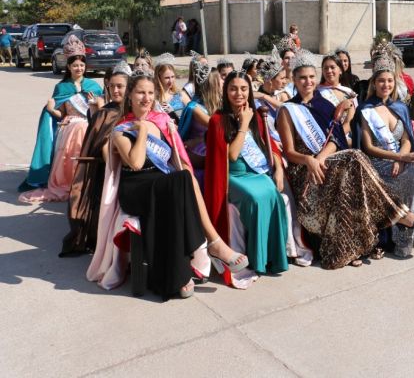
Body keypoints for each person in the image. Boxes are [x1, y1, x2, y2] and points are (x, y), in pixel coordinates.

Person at [88, 72, 249, 300]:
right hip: (136, 188)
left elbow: (176, 158)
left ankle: (182, 272)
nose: (146, 98)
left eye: (151, 93)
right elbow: (134, 163)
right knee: (181, 180)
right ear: (130, 96)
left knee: (184, 178)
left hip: (161, 180)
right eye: (141, 92)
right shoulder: (122, 128)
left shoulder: (161, 121)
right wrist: (142, 131)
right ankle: (213, 244)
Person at [276, 49, 414, 268]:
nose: (308, 81)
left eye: (311, 77)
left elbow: (336, 138)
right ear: (294, 79)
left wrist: (320, 157)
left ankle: (350, 248)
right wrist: (310, 161)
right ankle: (397, 213)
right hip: (305, 171)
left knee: (353, 175)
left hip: (326, 163)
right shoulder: (287, 110)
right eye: (302, 78)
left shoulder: (324, 104)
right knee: (355, 157)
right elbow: (289, 152)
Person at [204, 71, 289, 287]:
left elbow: (268, 144)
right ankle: (256, 260)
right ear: (226, 92)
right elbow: (231, 155)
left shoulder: (256, 115)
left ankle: (273, 258)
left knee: (273, 194)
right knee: (254, 197)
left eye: (243, 89)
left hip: (255, 171)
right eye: (233, 89)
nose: (239, 93)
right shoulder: (217, 119)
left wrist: (278, 168)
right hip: (232, 176)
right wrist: (243, 125)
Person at [355, 54, 414, 256]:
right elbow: (368, 147)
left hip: (399, 159)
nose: (386, 84)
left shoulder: (400, 107)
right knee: (409, 169)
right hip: (377, 163)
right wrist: (397, 158)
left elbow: (407, 140)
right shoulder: (366, 109)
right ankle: (405, 230)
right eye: (381, 80)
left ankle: (413, 230)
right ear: (374, 83)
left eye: (390, 80)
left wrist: (401, 156)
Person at [60, 63, 131, 256]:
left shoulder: (134, 111)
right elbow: (95, 142)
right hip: (105, 169)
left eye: (120, 86)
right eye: (112, 86)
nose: (115, 90)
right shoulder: (105, 112)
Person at [19, 36, 103, 198]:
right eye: (75, 65)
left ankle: (86, 182)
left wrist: (95, 103)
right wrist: (51, 109)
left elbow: (101, 111)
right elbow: (61, 114)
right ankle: (69, 183)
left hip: (88, 125)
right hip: (69, 127)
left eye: (82, 65)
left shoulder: (94, 86)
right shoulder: (61, 87)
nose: (79, 68)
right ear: (69, 67)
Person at [178, 64, 221, 174]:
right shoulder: (195, 107)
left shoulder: (218, 102)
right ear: (212, 85)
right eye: (219, 78)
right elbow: (217, 126)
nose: (223, 81)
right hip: (198, 150)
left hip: (207, 143)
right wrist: (199, 140)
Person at [318, 54, 357, 145]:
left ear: (340, 70)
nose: (329, 71)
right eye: (325, 68)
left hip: (343, 139)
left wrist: (334, 138)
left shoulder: (349, 93)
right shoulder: (316, 92)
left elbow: (349, 122)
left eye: (332, 67)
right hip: (321, 138)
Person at [154, 54, 187, 119]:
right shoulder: (153, 96)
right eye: (167, 78)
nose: (171, 81)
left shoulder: (180, 94)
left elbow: (191, 114)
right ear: (159, 78)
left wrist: (174, 113)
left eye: (172, 77)